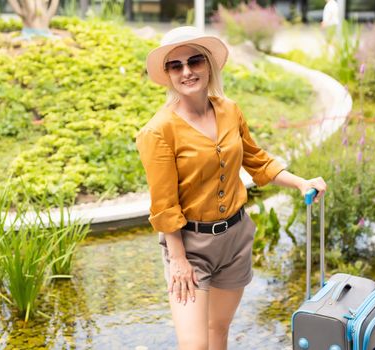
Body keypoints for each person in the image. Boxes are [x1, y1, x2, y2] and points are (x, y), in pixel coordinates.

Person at [136, 26, 327, 350]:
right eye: (176, 65)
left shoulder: (229, 110)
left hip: (235, 239)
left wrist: (299, 182)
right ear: (168, 74)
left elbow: (257, 160)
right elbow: (164, 204)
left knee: (218, 331)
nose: (187, 71)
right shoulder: (157, 131)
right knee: (195, 344)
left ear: (208, 64)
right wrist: (178, 259)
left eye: (194, 61)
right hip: (190, 247)